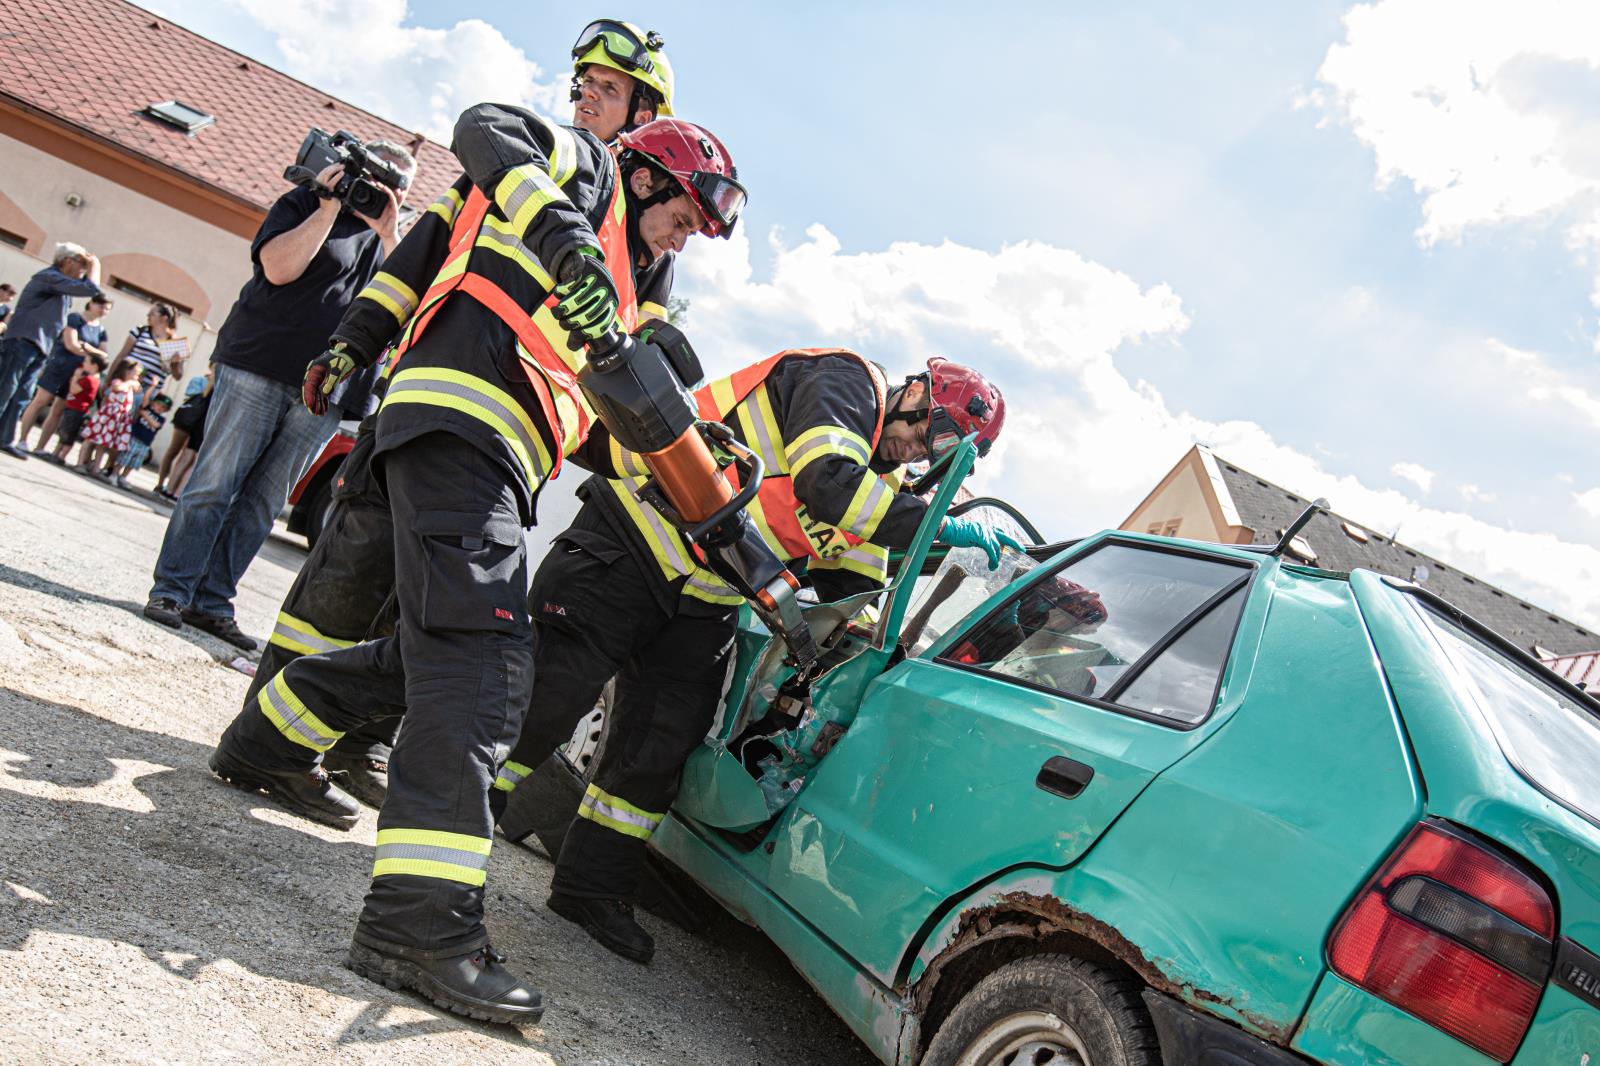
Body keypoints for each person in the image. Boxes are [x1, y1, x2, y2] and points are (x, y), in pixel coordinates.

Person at [209, 104, 743, 1024]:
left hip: (495, 445)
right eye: (685, 217)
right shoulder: (587, 171)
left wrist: (692, 444)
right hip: (463, 420)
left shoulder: (634, 281)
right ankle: (419, 923)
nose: (684, 241)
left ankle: (268, 738)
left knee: (439, 647)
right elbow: (483, 125)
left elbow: (598, 413)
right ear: (651, 177)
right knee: (482, 667)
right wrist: (566, 243)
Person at [246, 19, 679, 807]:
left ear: (645, 116)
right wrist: (352, 341)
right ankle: (273, 725)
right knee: (346, 574)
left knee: (424, 606)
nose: (586, 96)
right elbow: (418, 259)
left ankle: (356, 748)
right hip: (424, 391)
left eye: (608, 89)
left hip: (509, 432)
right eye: (584, 82)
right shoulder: (523, 161)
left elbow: (630, 360)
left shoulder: (645, 246)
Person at [492, 354, 1014, 963]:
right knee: (550, 698)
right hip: (632, 544)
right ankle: (461, 820)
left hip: (704, 598)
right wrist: (940, 527)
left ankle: (589, 887)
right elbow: (827, 484)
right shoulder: (843, 386)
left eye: (937, 453)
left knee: (660, 745)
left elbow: (855, 589)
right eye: (930, 432)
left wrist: (889, 656)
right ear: (917, 393)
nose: (917, 451)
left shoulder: (886, 487)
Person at [141, 140, 417, 650]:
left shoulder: (397, 239)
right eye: (376, 180)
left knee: (265, 500)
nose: (379, 192)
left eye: (394, 186)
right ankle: (172, 592)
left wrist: (388, 229)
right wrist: (329, 206)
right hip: (260, 363)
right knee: (215, 483)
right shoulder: (304, 203)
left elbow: (412, 303)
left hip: (331, 388)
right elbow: (279, 269)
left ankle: (212, 602)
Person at [0, 244, 103, 458]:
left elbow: (84, 286)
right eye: (81, 265)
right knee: (5, 389)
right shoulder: (50, 277)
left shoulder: (62, 285)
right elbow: (90, 289)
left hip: (38, 346)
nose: (83, 270)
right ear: (68, 261)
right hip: (23, 341)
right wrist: (96, 265)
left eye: (85, 267)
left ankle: (5, 438)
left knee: (22, 394)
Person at [22, 293, 112, 452]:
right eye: (101, 306)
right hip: (59, 366)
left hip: (78, 375)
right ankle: (22, 439)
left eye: (107, 309)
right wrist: (91, 351)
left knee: (58, 410)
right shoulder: (75, 319)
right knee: (40, 402)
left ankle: (40, 447)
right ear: (91, 303)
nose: (103, 311)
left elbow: (104, 354)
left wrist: (85, 347)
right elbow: (71, 344)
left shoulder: (101, 330)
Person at [77, 361, 142, 476]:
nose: (137, 377)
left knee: (103, 444)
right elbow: (117, 388)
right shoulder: (119, 382)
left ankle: (96, 468)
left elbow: (138, 392)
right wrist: (130, 382)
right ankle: (80, 463)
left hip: (117, 419)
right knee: (90, 440)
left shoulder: (130, 387)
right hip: (106, 417)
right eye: (135, 374)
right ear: (127, 371)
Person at [41, 351, 106, 462]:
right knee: (64, 432)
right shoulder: (93, 378)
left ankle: (61, 456)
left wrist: (75, 378)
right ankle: (56, 453)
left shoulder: (90, 380)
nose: (83, 363)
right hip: (74, 408)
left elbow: (74, 390)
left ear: (94, 366)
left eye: (86, 361)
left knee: (68, 434)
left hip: (76, 410)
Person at [107, 303, 179, 392]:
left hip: (146, 390)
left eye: (152, 314)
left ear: (164, 318)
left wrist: (174, 364)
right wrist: (108, 379)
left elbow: (178, 375)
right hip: (123, 383)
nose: (148, 316)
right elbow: (122, 356)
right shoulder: (139, 330)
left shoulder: (174, 342)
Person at [114, 392, 173, 488]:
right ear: (153, 403)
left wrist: (144, 414)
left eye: (163, 407)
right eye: (158, 404)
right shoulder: (147, 409)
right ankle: (115, 474)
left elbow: (155, 425)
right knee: (124, 457)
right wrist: (153, 387)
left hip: (145, 443)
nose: (160, 408)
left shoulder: (161, 419)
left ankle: (123, 477)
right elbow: (145, 398)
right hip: (134, 437)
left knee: (134, 461)